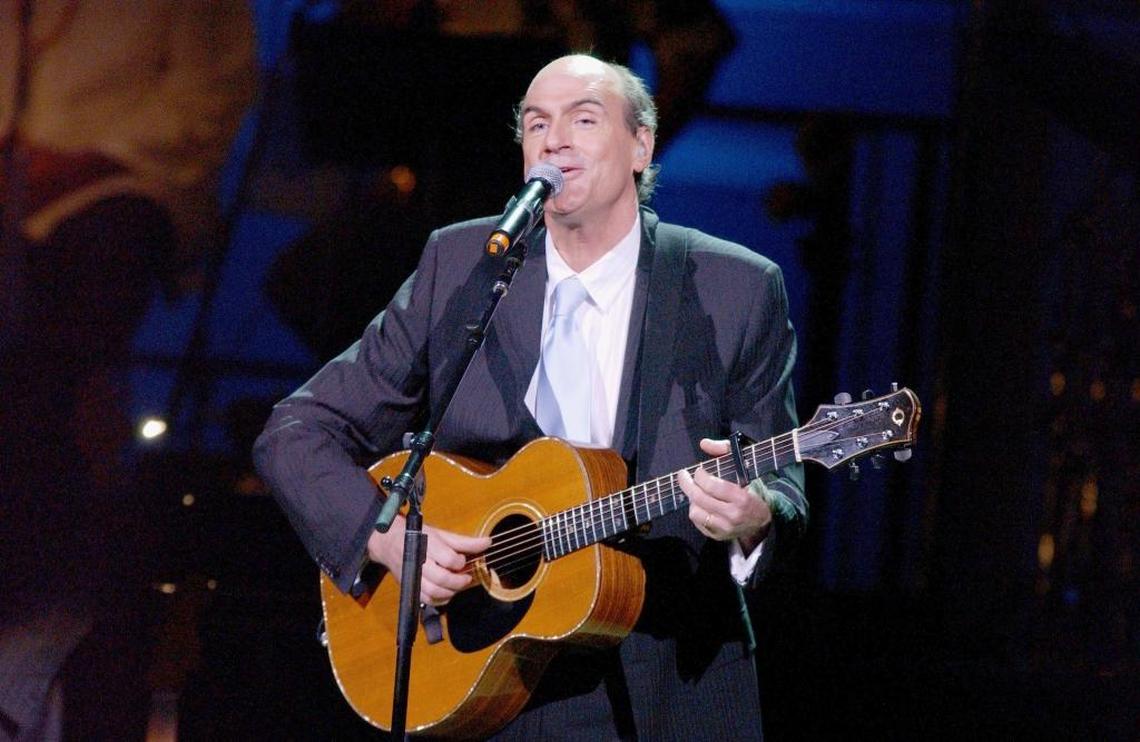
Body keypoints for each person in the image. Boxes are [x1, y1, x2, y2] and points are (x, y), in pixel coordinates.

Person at [254, 53, 805, 740]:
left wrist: (753, 521)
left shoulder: (735, 287)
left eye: (584, 118)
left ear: (642, 145)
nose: (554, 139)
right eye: (537, 123)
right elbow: (299, 429)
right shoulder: (462, 265)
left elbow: (781, 481)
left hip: (667, 682)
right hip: (483, 677)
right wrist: (385, 537)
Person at [0, 2, 256, 739]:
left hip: (120, 186)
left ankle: (63, 495)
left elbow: (209, 96)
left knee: (78, 293)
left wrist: (79, 160)